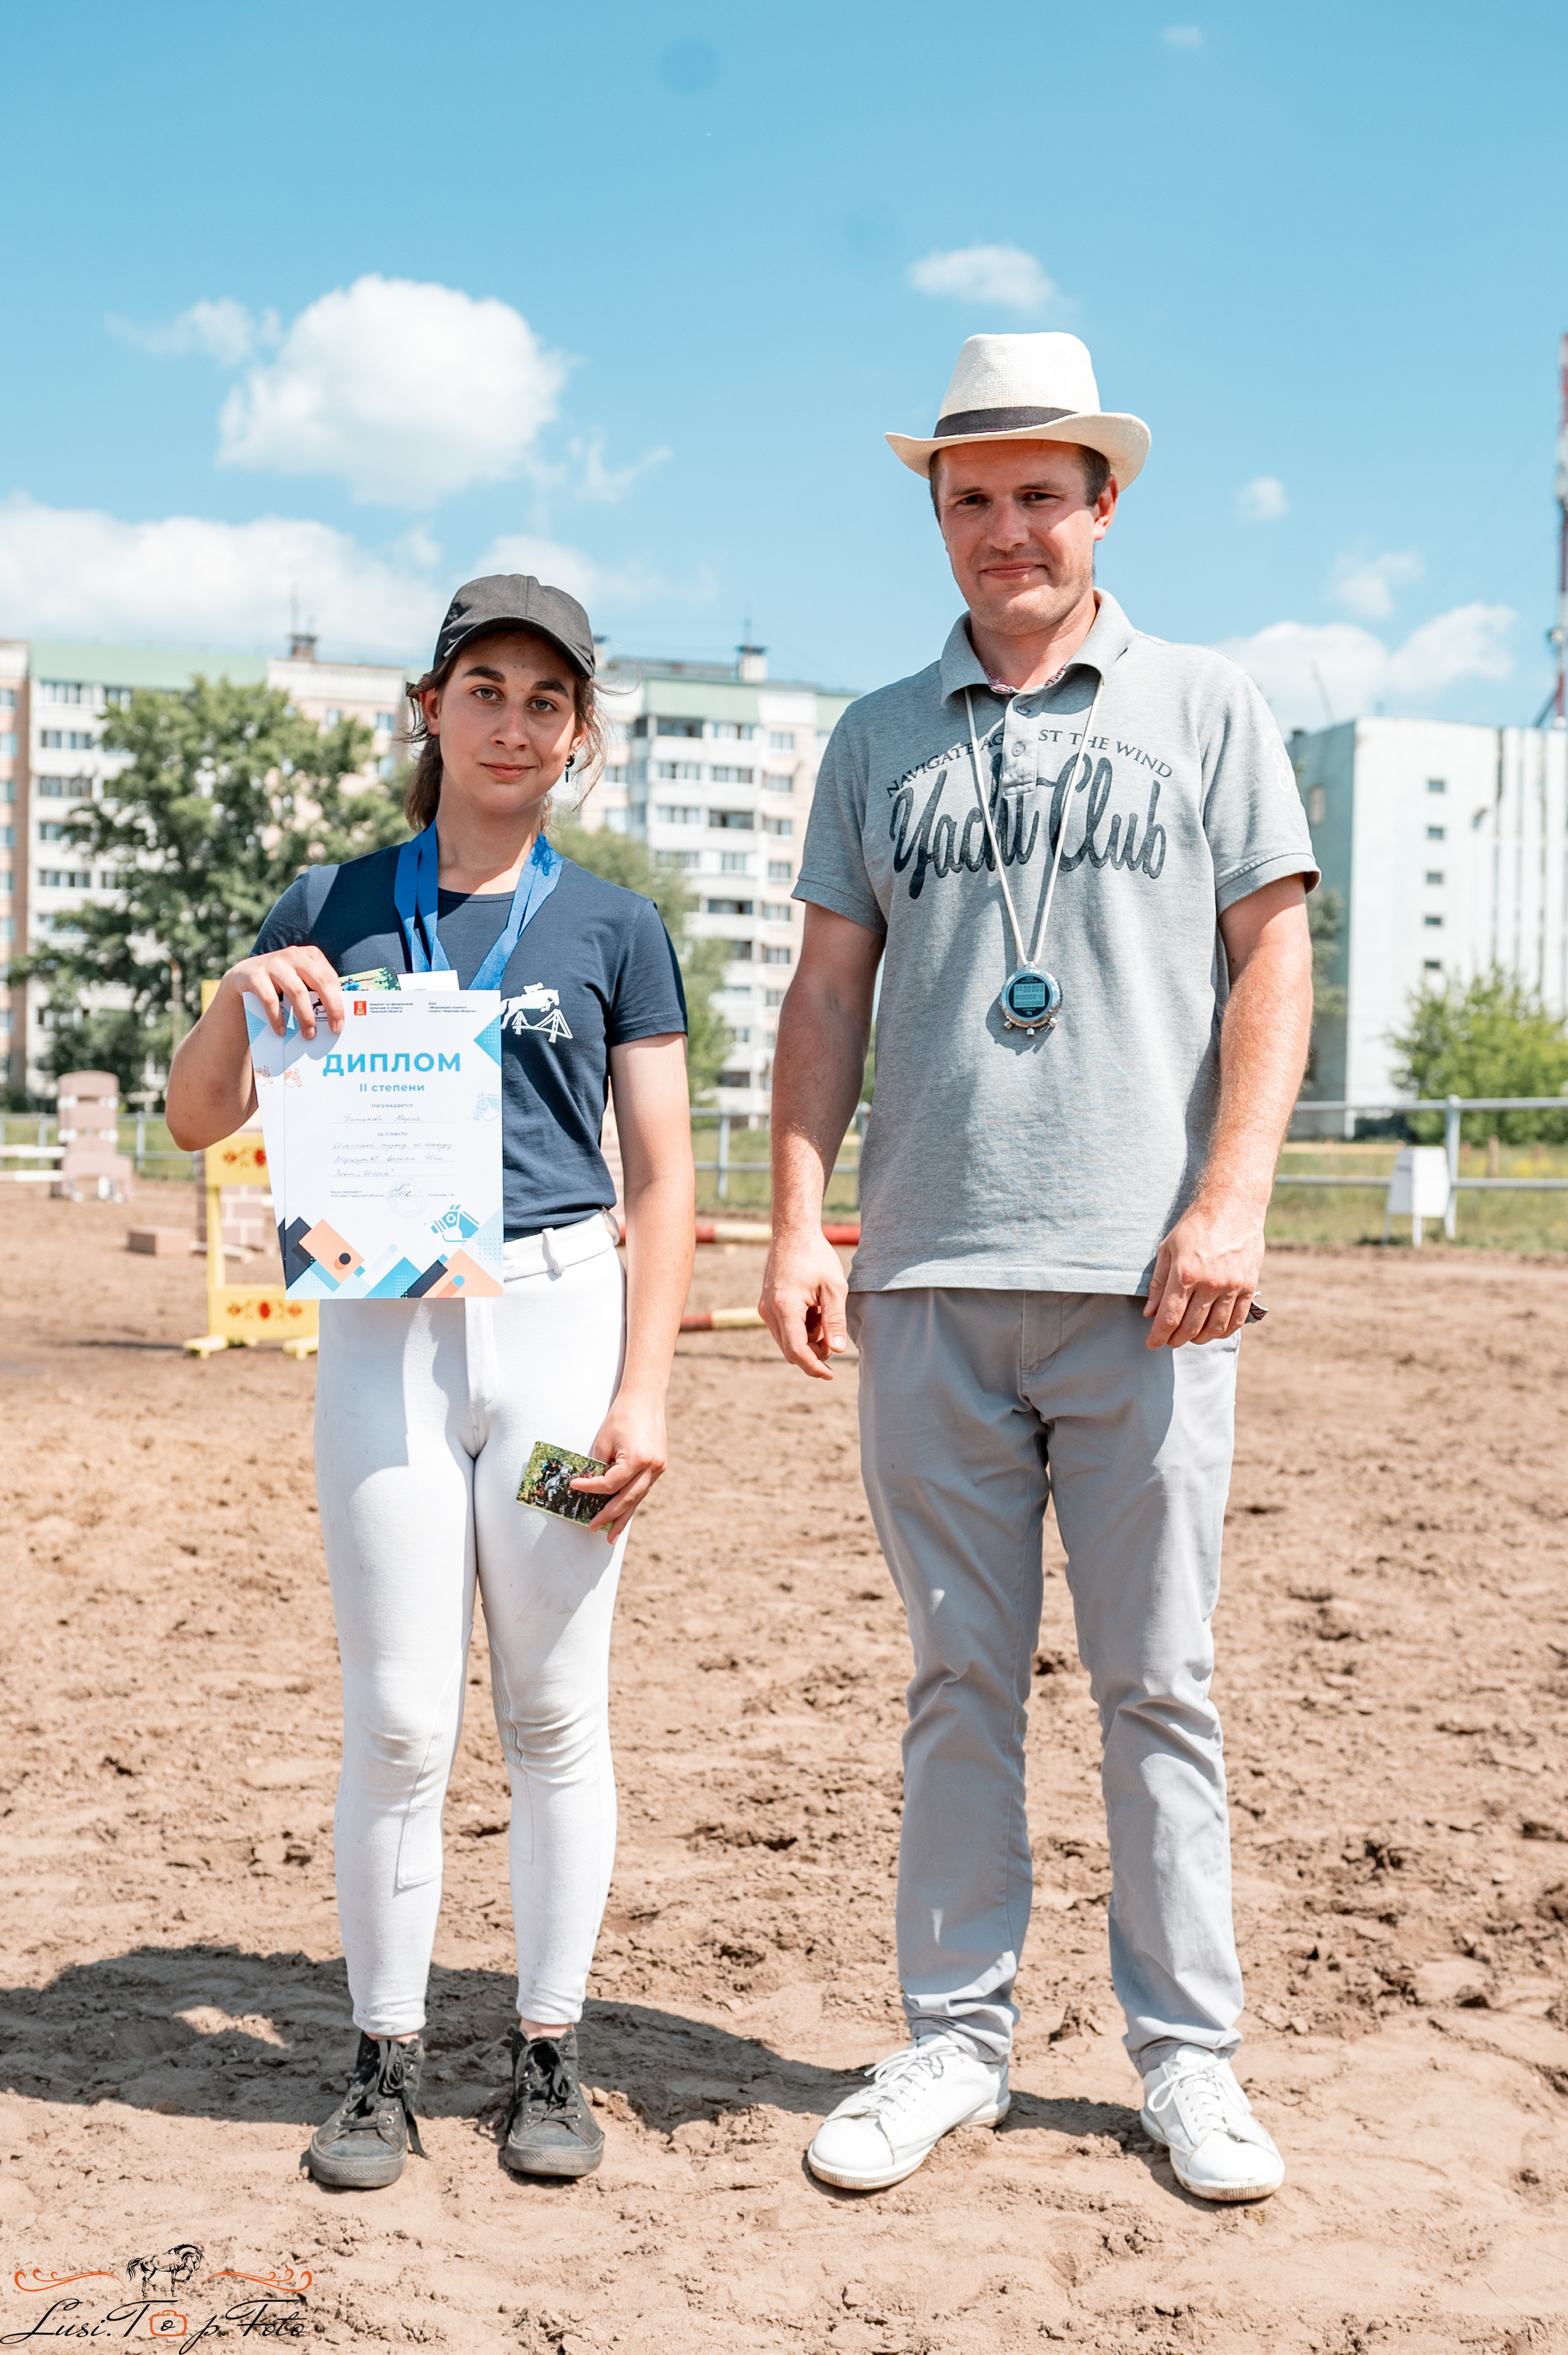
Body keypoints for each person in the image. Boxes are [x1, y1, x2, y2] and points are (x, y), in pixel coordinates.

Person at [760, 335, 1318, 2204]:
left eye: (1038, 495)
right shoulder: (871, 737)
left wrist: (1228, 1200)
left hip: (1146, 1280)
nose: (1005, 529)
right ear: (935, 513)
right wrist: (791, 1220)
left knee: (1160, 1682)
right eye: (969, 497)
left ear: (1102, 505)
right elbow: (823, 991)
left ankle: (1186, 2058)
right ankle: (951, 2040)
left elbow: (1268, 965)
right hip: (926, 1275)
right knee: (954, 1682)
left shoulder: (1208, 708)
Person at [167, 574, 695, 2187]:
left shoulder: (613, 926)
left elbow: (662, 1181)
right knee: (399, 1720)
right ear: (430, 706)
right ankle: (382, 2060)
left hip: (550, 1341)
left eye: (548, 699)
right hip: (384, 1347)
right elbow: (197, 1120)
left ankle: (548, 2050)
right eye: (486, 689)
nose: (514, 722)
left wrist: (646, 1393)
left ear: (578, 733)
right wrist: (236, 993)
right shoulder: (322, 899)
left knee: (548, 1704)